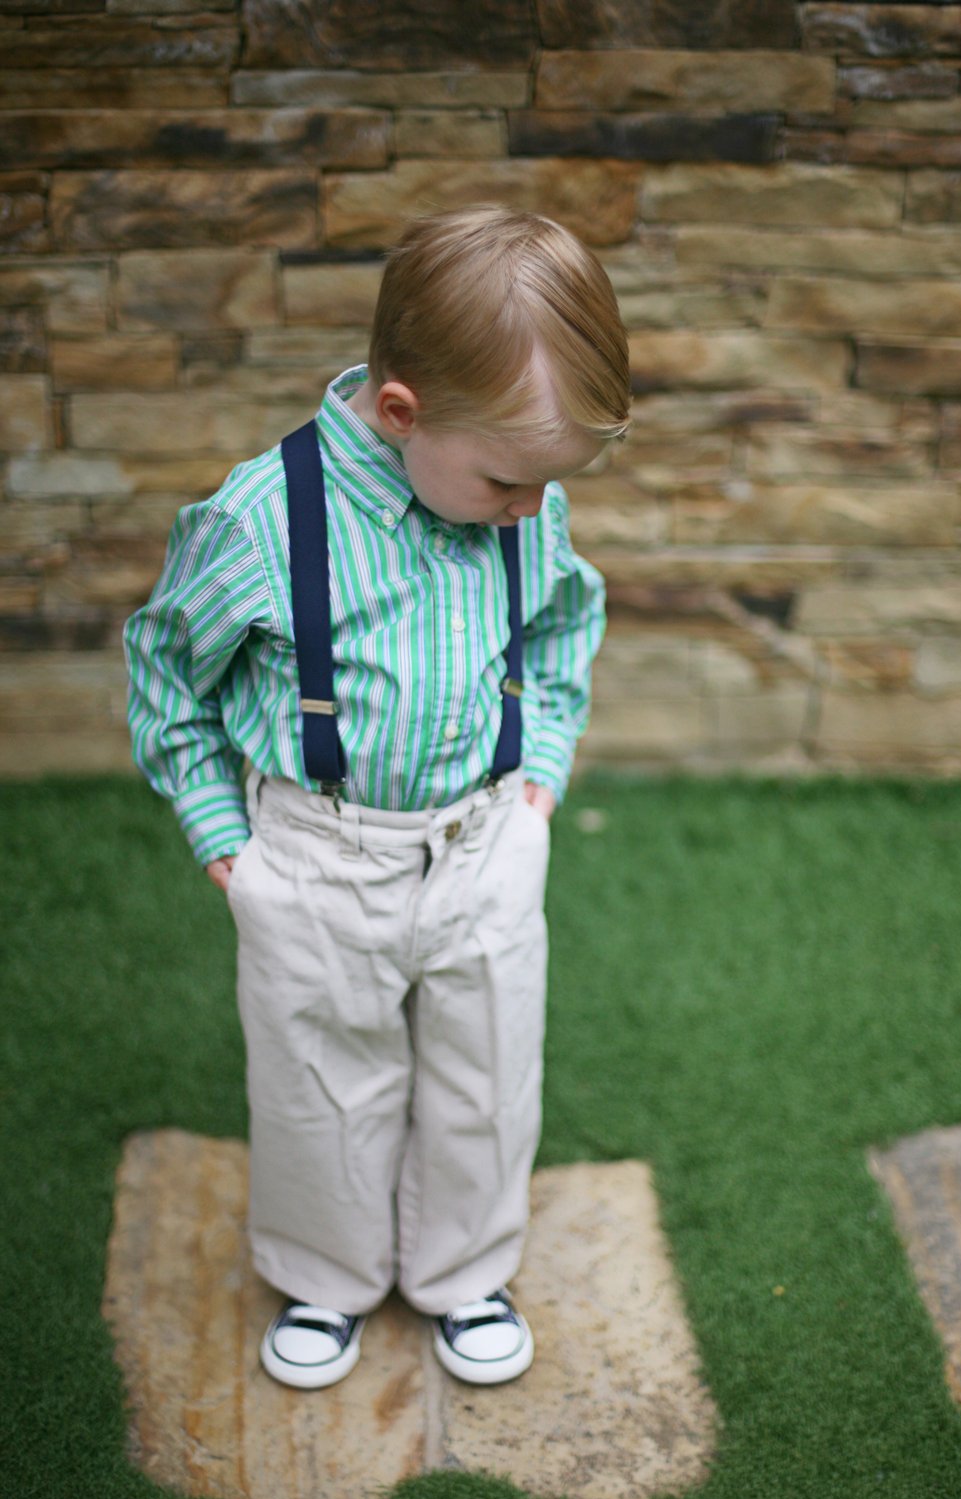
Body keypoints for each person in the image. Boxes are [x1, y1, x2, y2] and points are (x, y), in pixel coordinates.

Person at [124, 205, 630, 1390]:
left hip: (484, 837)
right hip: (316, 852)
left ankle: (464, 1272)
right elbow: (166, 668)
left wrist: (540, 773)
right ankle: (325, 1276)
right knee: (318, 1077)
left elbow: (564, 618)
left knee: (487, 1072)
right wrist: (222, 836)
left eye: (546, 483)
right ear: (401, 412)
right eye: (508, 480)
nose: (529, 506)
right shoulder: (262, 519)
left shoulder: (517, 493)